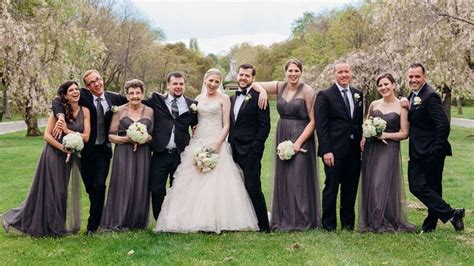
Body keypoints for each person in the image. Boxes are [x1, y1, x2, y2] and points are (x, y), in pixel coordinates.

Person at [155, 68, 258, 233]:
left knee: (216, 183)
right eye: (211, 81)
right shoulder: (197, 99)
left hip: (216, 142)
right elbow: (193, 120)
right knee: (192, 181)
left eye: (217, 82)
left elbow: (227, 125)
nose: (213, 84)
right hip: (197, 142)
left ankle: (217, 219)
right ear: (205, 80)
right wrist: (194, 130)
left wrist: (218, 144)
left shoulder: (224, 99)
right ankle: (188, 220)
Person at [2, 81, 90, 237]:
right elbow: (47, 136)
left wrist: (67, 131)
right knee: (52, 190)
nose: (76, 92)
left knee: (61, 192)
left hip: (70, 156)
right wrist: (64, 148)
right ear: (65, 95)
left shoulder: (85, 111)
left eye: (77, 89)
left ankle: (55, 225)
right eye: (71, 90)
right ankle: (51, 228)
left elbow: (86, 136)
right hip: (54, 154)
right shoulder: (58, 112)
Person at [52, 70, 127, 234]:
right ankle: (99, 219)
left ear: (102, 79)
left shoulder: (114, 98)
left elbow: (136, 102)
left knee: (99, 185)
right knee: (91, 189)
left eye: (98, 79)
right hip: (85, 152)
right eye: (92, 82)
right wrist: (60, 116)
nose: (97, 84)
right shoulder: (83, 96)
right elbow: (57, 100)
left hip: (104, 151)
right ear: (87, 86)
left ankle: (93, 227)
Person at [253, 59, 321, 231]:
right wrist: (262, 91)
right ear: (285, 72)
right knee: (285, 177)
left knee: (298, 178)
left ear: (301, 72)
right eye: (290, 71)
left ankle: (302, 219)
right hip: (282, 133)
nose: (293, 74)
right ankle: (285, 218)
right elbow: (253, 83)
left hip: (301, 135)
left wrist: (298, 143)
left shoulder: (307, 90)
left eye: (296, 71)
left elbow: (314, 121)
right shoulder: (280, 87)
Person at [405, 63, 464, 232]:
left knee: (431, 187)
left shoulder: (430, 96)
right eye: (411, 77)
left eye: (417, 76)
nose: (414, 79)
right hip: (417, 151)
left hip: (432, 151)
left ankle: (430, 226)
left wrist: (436, 149)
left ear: (424, 77)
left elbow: (443, 124)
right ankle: (452, 214)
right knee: (417, 187)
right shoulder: (413, 95)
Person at [359, 73, 416, 233]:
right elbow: (367, 122)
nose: (383, 88)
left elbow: (404, 133)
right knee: (371, 182)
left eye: (386, 84)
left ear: (393, 85)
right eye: (380, 85)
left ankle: (384, 219)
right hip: (372, 148)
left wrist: (385, 135)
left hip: (389, 148)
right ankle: (372, 219)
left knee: (380, 183)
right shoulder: (374, 104)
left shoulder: (401, 106)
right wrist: (364, 136)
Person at [315, 60, 363, 231]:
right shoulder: (324, 95)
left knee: (350, 188)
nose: (344, 75)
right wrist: (326, 150)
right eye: (340, 72)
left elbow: (357, 122)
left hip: (354, 150)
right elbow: (321, 126)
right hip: (334, 150)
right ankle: (328, 225)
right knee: (331, 187)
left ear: (351, 73)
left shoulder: (358, 94)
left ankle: (348, 224)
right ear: (334, 74)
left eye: (346, 72)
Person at [100, 79, 153, 231]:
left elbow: (152, 135)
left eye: (138, 93)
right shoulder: (119, 110)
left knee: (140, 183)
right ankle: (118, 219)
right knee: (122, 183)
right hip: (123, 152)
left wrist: (143, 138)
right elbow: (110, 135)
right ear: (127, 94)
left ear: (143, 94)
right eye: (131, 93)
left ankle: (137, 221)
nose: (135, 96)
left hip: (143, 153)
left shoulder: (150, 111)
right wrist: (127, 139)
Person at [144, 72, 198, 221]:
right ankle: (160, 220)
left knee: (179, 188)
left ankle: (176, 220)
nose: (178, 87)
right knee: (156, 188)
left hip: (181, 154)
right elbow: (134, 103)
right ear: (168, 85)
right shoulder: (156, 100)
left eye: (181, 84)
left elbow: (197, 125)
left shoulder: (192, 105)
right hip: (160, 152)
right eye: (175, 83)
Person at [228, 63, 271, 232]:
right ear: (237, 76)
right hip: (232, 148)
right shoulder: (232, 98)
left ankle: (263, 225)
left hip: (251, 150)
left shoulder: (260, 96)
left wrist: (256, 147)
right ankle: (238, 221)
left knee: (253, 186)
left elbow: (265, 126)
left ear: (253, 78)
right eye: (241, 75)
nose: (243, 78)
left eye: (247, 75)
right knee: (234, 187)